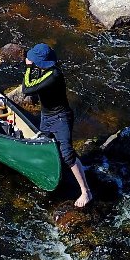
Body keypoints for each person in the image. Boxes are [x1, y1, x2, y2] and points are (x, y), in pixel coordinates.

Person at [23, 43, 93, 208]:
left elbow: (27, 89)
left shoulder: (54, 75)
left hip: (60, 118)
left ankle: (86, 191)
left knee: (67, 154)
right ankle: (55, 175)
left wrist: (27, 68)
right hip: (47, 116)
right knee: (47, 146)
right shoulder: (44, 70)